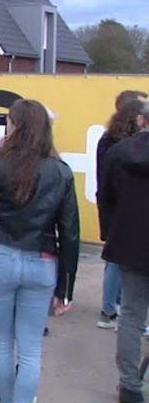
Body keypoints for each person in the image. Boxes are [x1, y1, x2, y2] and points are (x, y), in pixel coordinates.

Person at [0, 99, 80, 403]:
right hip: (41, 258)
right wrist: (66, 287)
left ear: (15, 126)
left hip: (0, 255)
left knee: (2, 344)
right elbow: (70, 232)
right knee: (30, 349)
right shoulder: (60, 171)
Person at [98, 98, 149, 403]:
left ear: (141, 120)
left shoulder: (118, 153)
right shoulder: (119, 152)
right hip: (131, 243)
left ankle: (130, 385)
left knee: (131, 315)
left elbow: (106, 197)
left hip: (130, 243)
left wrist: (112, 234)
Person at [95, 90, 147, 330]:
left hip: (119, 214)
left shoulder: (110, 143)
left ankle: (109, 310)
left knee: (115, 263)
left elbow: (104, 184)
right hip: (129, 214)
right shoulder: (119, 147)